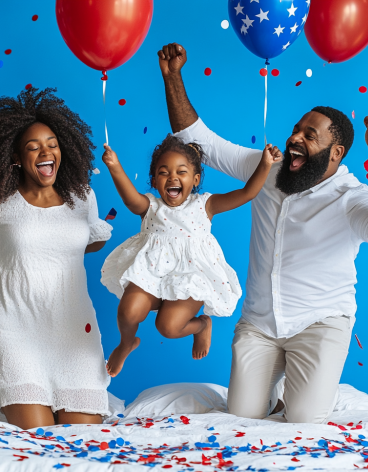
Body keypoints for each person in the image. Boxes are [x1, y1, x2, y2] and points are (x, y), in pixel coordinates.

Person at [157, 43, 368, 423]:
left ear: (336, 152)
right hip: (260, 324)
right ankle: (273, 398)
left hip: (320, 322)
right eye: (296, 130)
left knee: (305, 419)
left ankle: (299, 397)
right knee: (243, 415)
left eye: (310, 135)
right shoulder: (267, 170)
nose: (296, 138)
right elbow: (202, 144)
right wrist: (173, 77)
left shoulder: (351, 198)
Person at [0, 87, 113, 429]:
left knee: (82, 437)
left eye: (52, 143)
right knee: (39, 438)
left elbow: (89, 242)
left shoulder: (83, 196)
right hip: (13, 326)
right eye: (33, 147)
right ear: (15, 157)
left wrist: (66, 244)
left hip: (73, 329)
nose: (46, 151)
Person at [100, 135, 282, 377]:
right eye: (164, 173)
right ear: (154, 181)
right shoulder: (151, 207)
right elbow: (130, 200)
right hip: (153, 275)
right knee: (128, 311)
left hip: (189, 277)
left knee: (167, 327)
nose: (173, 177)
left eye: (181, 172)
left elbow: (248, 193)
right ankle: (126, 343)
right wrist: (115, 166)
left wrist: (265, 163)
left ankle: (202, 325)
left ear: (195, 180)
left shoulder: (205, 205)